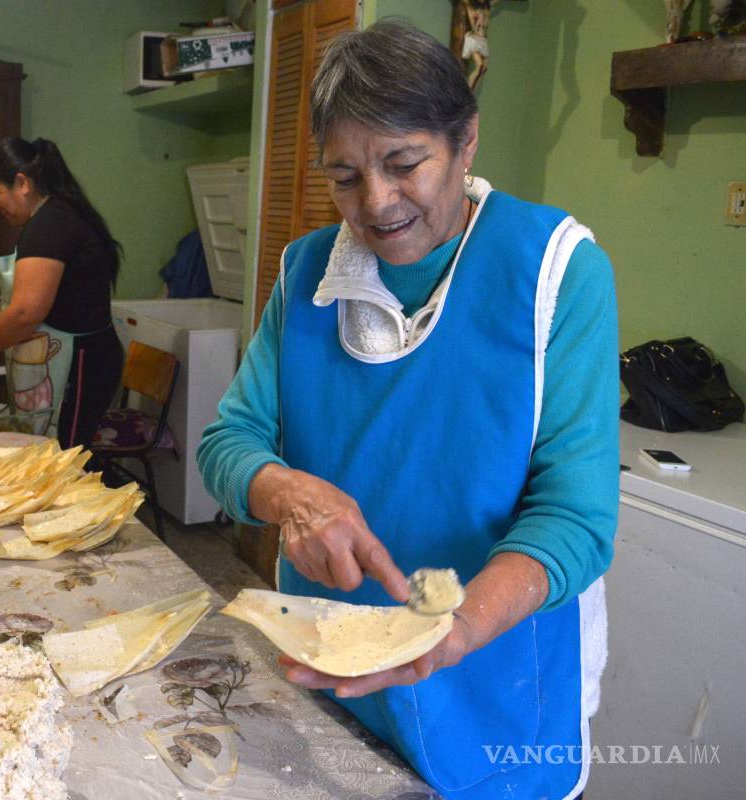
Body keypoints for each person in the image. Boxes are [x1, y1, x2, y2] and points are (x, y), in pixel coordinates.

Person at [197, 21, 617, 800]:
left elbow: (576, 517)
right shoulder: (308, 272)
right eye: (345, 176)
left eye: (403, 164)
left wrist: (456, 628)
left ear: (466, 142)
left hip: (495, 680)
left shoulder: (556, 271)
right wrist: (288, 494)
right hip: (336, 666)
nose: (376, 202)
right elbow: (230, 440)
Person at [0, 138, 124, 449]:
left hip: (77, 368)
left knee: (65, 458)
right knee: (53, 454)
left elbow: (26, 313)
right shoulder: (57, 215)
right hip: (84, 360)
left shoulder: (49, 224)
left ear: (22, 184)